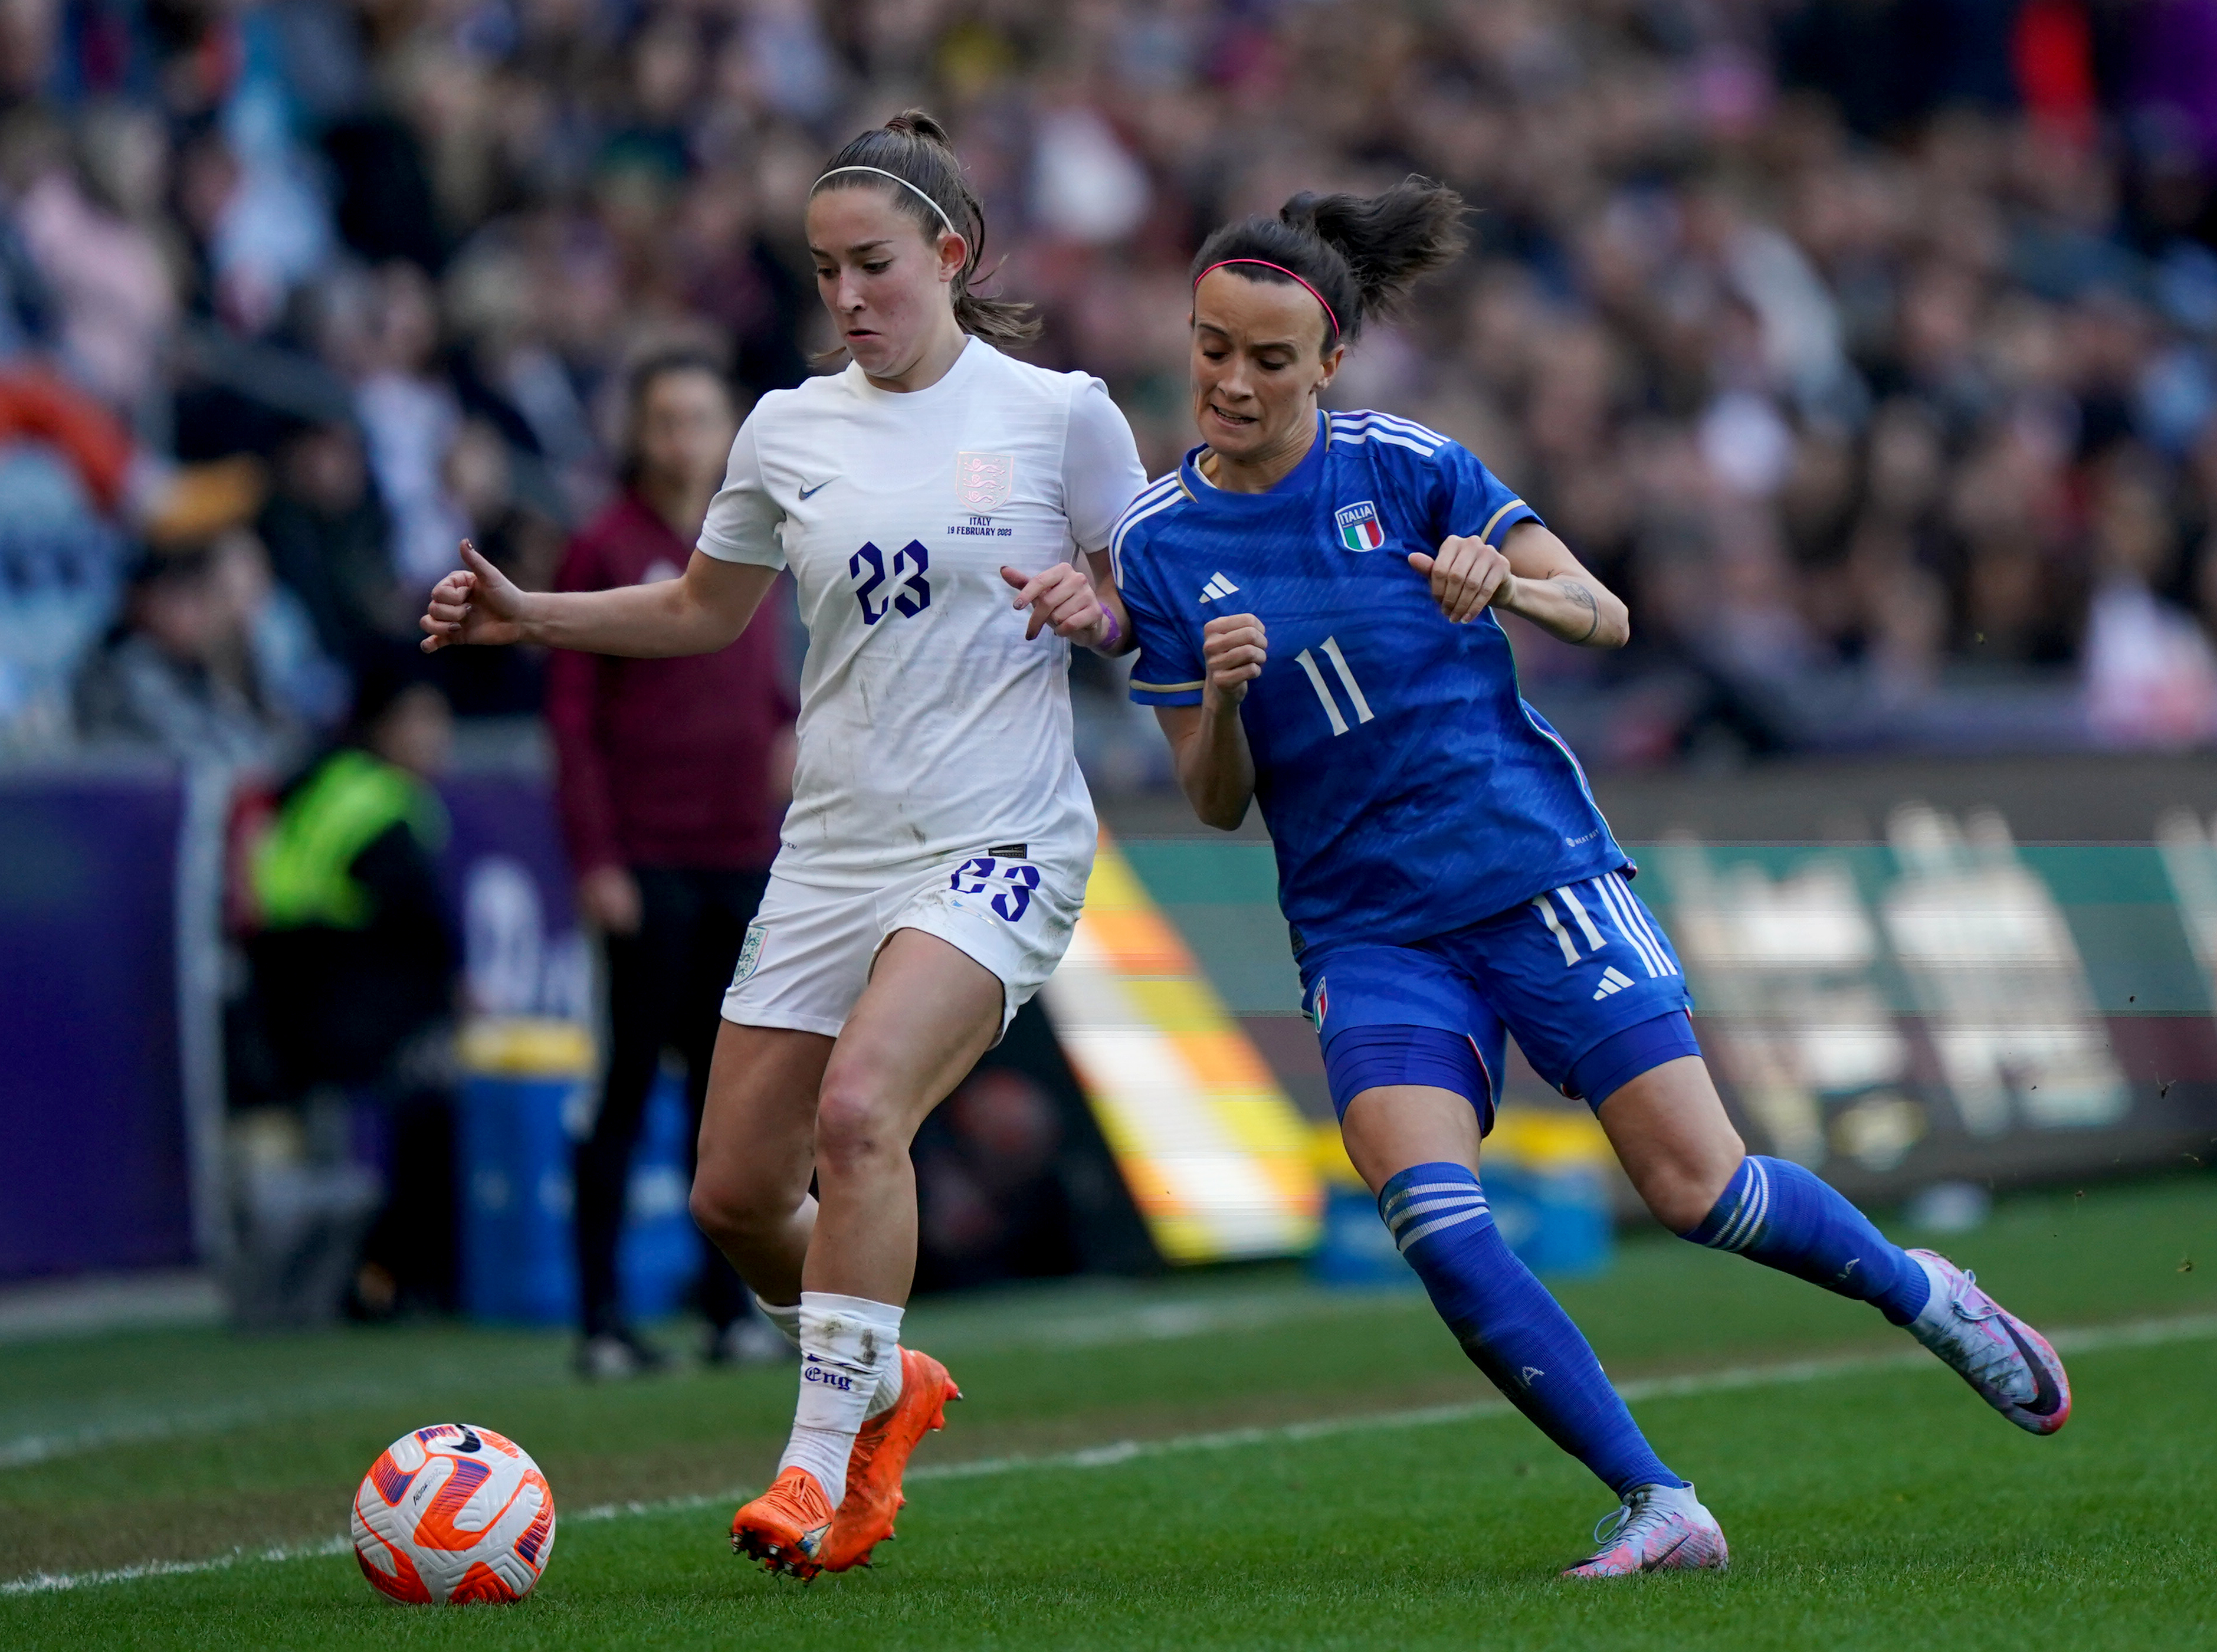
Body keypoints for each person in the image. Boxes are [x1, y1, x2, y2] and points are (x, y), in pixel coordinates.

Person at [1106, 180, 2073, 1578]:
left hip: (1528, 868)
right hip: (1366, 927)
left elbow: (1603, 613)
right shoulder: (1156, 542)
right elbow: (1211, 801)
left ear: (1330, 362)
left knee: (1700, 1188)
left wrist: (1504, 582)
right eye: (1211, 349)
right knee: (1429, 1211)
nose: (1232, 382)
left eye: (1268, 358)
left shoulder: (1411, 466)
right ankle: (1657, 1499)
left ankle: (1924, 1292)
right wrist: (1219, 703)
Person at [419, 111, 1147, 1578]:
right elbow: (703, 607)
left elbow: (1154, 604)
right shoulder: (786, 427)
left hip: (998, 836)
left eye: (873, 264)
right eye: (823, 270)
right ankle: (883, 1381)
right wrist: (533, 614)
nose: (847, 296)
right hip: (829, 848)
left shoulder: (1061, 414)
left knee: (862, 1112)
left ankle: (815, 1469)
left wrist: (1105, 608)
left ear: (951, 253)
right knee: (737, 1195)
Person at [546, 349, 798, 1378]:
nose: (684, 439)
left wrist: (785, 731)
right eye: (667, 419)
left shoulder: (751, 538)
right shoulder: (603, 545)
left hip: (740, 852)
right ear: (639, 433)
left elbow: (765, 684)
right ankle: (601, 1321)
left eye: (700, 418)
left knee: (727, 1095)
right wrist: (596, 860)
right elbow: (572, 721)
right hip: (647, 859)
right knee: (625, 1088)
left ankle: (725, 1311)